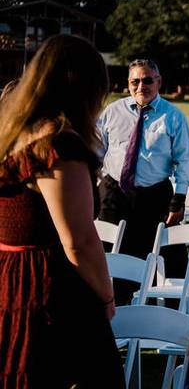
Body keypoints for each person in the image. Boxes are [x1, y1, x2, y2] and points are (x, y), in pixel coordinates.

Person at [0, 35, 124, 387]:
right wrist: (106, 295)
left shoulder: (13, 135)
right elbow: (79, 240)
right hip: (45, 285)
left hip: (11, 276)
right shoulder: (57, 144)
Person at [97, 59, 189, 269]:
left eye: (147, 80)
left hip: (153, 196)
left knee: (153, 260)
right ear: (128, 82)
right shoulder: (112, 112)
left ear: (158, 82)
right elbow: (97, 151)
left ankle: (149, 299)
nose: (141, 86)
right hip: (114, 193)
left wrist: (178, 198)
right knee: (108, 257)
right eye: (135, 81)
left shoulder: (173, 116)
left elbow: (186, 160)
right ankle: (114, 300)